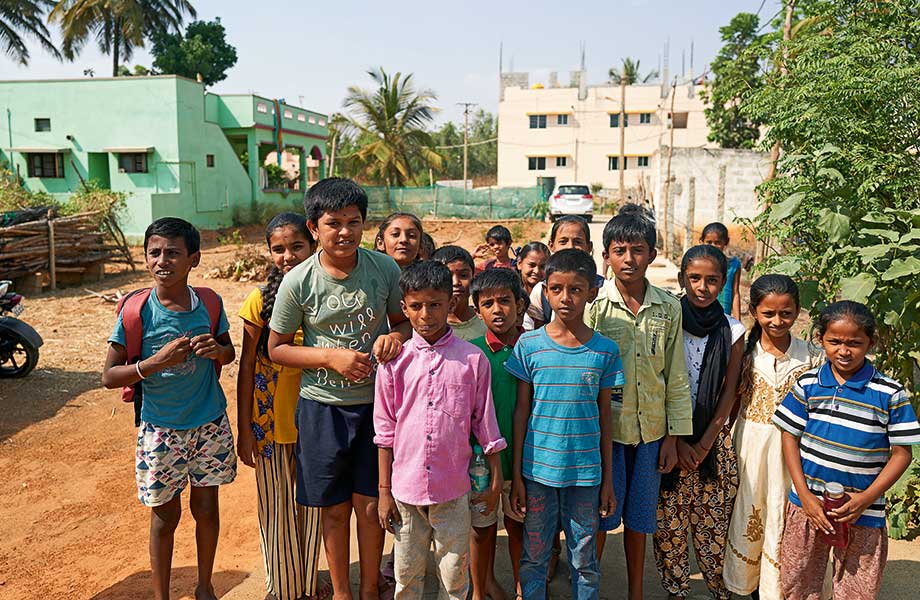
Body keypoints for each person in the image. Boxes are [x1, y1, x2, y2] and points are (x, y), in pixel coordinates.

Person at [267, 178, 412, 600]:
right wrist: (331, 357)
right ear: (314, 228)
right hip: (322, 409)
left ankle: (369, 589)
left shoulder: (384, 269)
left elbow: (403, 321)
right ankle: (342, 594)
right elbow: (276, 348)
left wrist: (394, 337)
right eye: (334, 223)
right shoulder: (298, 281)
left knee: (370, 506)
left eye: (354, 221)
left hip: (376, 408)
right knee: (333, 509)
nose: (344, 231)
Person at [102, 217, 237, 600]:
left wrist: (219, 351)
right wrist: (154, 363)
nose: (163, 261)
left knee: (207, 509)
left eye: (174, 253)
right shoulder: (136, 311)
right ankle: (161, 595)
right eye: (155, 253)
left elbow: (228, 351)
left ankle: (205, 586)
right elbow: (110, 376)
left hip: (209, 424)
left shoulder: (208, 303)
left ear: (193, 258)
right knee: (164, 516)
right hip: (160, 429)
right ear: (145, 258)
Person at [375, 260, 506, 600]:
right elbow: (385, 430)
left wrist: (495, 476)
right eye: (416, 306)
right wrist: (384, 491)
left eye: (435, 305)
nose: (426, 315)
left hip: (453, 487)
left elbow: (485, 422)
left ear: (450, 303)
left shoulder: (472, 359)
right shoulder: (394, 363)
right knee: (406, 576)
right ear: (404, 308)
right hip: (405, 489)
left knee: (454, 576)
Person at [774, 301, 920, 600]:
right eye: (835, 341)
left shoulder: (889, 393)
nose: (844, 350)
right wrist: (803, 495)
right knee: (798, 582)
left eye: (855, 343)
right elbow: (789, 436)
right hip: (808, 506)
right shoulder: (808, 383)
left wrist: (865, 499)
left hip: (863, 511)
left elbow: (902, 453)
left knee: (857, 589)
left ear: (871, 342)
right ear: (821, 340)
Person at [585, 212, 692, 600]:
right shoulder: (594, 307)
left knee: (640, 520)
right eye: (620, 251)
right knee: (599, 517)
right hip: (606, 433)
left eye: (637, 250)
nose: (628, 258)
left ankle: (635, 592)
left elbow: (676, 375)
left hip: (651, 434)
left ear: (652, 255)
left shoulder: (668, 308)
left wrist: (673, 437)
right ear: (606, 256)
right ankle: (589, 589)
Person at [507, 248, 625, 600]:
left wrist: (607, 480)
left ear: (591, 292)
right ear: (544, 289)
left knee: (584, 560)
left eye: (576, 289)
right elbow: (521, 412)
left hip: (586, 476)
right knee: (535, 557)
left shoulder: (605, 350)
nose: (565, 297)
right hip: (537, 473)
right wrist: (516, 475)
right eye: (556, 288)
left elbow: (606, 418)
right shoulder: (529, 345)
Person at [237, 213, 329, 600]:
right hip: (268, 420)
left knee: (313, 505)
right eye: (279, 249)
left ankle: (306, 582)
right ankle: (282, 587)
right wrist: (243, 429)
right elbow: (244, 367)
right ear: (269, 252)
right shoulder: (259, 300)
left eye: (296, 247)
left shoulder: (327, 294)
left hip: (317, 417)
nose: (288, 256)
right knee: (275, 506)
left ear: (313, 244)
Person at [652, 245, 745, 600]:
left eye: (711, 280)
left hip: (712, 443)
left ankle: (718, 591)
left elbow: (729, 393)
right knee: (669, 528)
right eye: (694, 278)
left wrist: (705, 443)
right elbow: (657, 380)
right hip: (667, 440)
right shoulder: (667, 319)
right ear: (682, 280)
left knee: (712, 526)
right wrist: (675, 441)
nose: (702, 287)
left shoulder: (733, 331)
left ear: (723, 283)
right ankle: (676, 590)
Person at [723, 275, 822, 600]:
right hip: (751, 448)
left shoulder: (811, 357)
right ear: (754, 312)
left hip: (795, 453)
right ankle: (751, 588)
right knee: (751, 511)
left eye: (786, 314)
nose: (777, 321)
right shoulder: (745, 354)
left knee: (784, 514)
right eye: (768, 314)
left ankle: (779, 589)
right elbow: (732, 400)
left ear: (797, 312)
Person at [469, 268, 530, 600]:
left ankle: (523, 588)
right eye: (487, 302)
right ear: (477, 309)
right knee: (482, 528)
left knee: (520, 526)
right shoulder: (471, 352)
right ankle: (481, 589)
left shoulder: (532, 347)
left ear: (519, 304)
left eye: (505, 301)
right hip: (481, 460)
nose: (497, 309)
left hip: (524, 458)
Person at [527, 215, 599, 329]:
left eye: (578, 242)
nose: (570, 247)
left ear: (589, 247)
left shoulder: (603, 289)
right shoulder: (541, 291)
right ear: (551, 245)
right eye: (563, 241)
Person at [432, 245, 487, 341]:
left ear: (473, 278)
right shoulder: (428, 326)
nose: (456, 282)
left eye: (463, 275)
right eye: (448, 276)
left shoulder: (487, 322)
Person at [700, 222, 741, 320]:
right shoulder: (699, 265)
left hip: (724, 315)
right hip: (702, 315)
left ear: (726, 242)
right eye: (709, 242)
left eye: (717, 243)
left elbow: (735, 293)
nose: (713, 246)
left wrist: (737, 320)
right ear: (702, 241)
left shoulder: (733, 265)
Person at [515, 241, 549, 331]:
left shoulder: (550, 297)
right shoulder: (512, 295)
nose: (536, 271)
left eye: (542, 267)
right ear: (519, 264)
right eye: (532, 265)